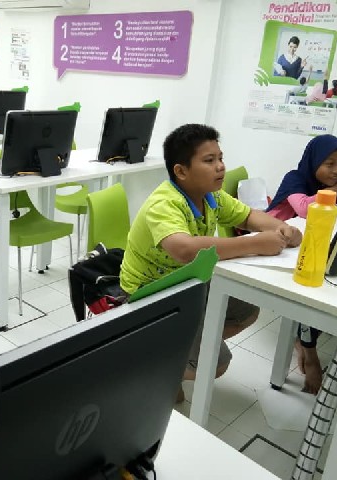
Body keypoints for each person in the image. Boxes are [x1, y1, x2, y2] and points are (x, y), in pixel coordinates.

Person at [119, 124, 302, 401]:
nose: (220, 167)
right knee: (215, 365)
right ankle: (157, 365)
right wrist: (255, 243)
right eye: (209, 160)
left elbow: (248, 216)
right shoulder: (164, 203)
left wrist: (282, 228)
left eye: (220, 158)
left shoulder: (210, 195)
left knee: (247, 310)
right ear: (181, 171)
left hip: (188, 281)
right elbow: (184, 249)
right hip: (151, 293)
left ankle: (173, 353)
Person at [266, 134, 337, 394]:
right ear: (314, 160)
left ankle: (304, 339)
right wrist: (336, 191)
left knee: (319, 278)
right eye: (330, 164)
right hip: (275, 239)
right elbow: (304, 209)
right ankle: (308, 347)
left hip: (301, 243)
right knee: (311, 283)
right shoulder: (295, 178)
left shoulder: (331, 184)